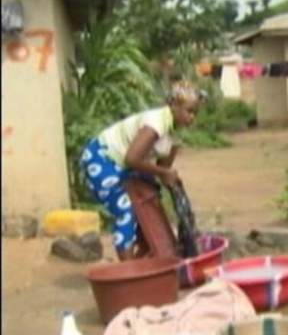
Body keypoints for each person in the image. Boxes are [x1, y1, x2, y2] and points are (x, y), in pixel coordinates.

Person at [78, 81, 200, 260]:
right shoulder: (155, 124)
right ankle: (129, 269)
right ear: (174, 106)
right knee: (125, 208)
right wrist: (164, 173)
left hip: (123, 164)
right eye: (189, 111)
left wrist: (170, 180)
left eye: (195, 113)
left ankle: (147, 254)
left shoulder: (175, 132)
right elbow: (132, 159)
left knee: (149, 197)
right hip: (101, 158)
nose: (192, 118)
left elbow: (163, 168)